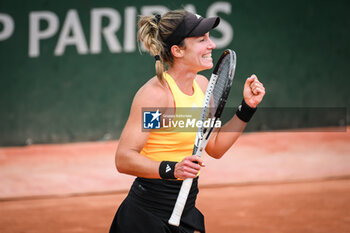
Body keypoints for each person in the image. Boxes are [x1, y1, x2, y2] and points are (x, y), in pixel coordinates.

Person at [109, 10, 265, 233]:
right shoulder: (158, 96)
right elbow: (124, 159)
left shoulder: (202, 87)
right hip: (146, 217)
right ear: (177, 50)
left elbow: (214, 147)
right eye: (202, 40)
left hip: (183, 210)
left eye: (210, 37)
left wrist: (247, 108)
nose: (211, 45)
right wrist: (173, 169)